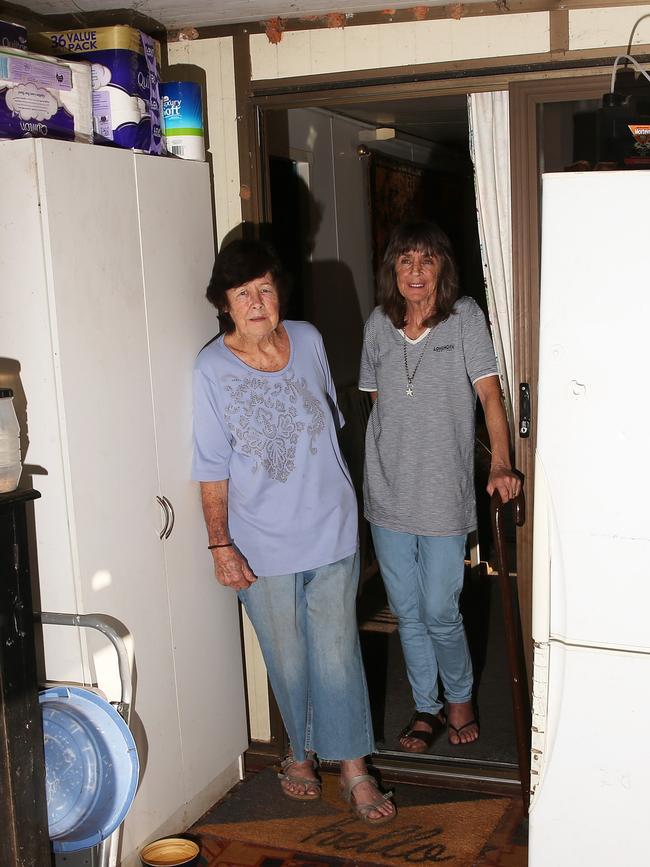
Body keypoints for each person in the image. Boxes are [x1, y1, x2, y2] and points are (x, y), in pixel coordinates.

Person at [192, 238, 395, 824]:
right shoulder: (211, 368)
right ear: (224, 305)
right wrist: (219, 543)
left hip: (331, 528)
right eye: (241, 293)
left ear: (278, 291)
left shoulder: (307, 339)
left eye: (264, 288)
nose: (256, 302)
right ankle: (299, 755)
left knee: (337, 654)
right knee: (288, 656)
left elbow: (331, 420)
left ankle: (354, 767)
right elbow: (210, 464)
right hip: (260, 542)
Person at [359, 220, 521, 752]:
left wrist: (500, 464)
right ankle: (425, 707)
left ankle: (460, 698)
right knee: (406, 612)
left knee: (440, 610)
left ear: (442, 269)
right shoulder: (378, 326)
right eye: (405, 260)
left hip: (444, 498)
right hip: (387, 496)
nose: (415, 271)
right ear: (393, 270)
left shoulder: (464, 319)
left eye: (426, 260)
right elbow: (378, 403)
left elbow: (491, 397)